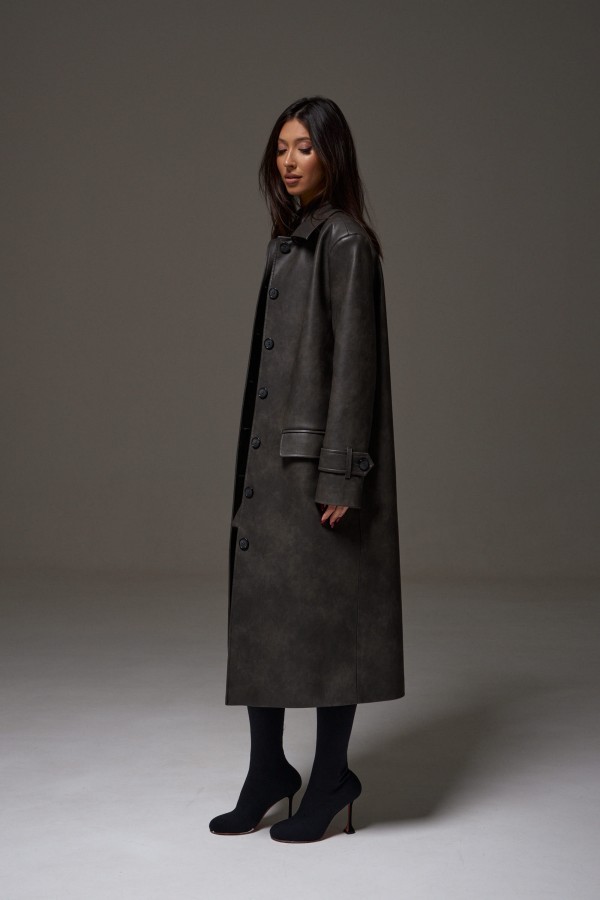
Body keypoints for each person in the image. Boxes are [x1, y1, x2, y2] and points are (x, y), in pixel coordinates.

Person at [210, 96, 404, 843]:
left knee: (328, 626)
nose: (289, 161)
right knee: (264, 619)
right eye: (282, 148)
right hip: (274, 467)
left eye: (304, 148)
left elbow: (356, 364)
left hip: (316, 471)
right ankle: (268, 771)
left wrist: (343, 476)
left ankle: (330, 780)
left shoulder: (344, 241)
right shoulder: (291, 240)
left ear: (332, 155)